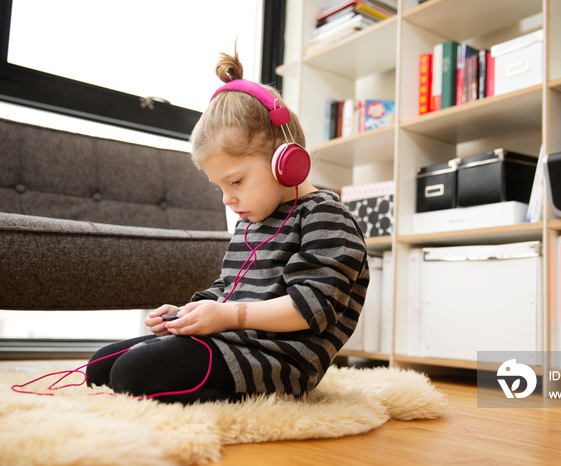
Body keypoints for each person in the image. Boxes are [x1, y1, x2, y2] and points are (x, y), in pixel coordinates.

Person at [85, 49, 370, 404]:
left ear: (286, 158)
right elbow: (228, 289)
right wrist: (184, 315)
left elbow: (310, 307)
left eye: (236, 182)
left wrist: (227, 316)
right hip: (231, 339)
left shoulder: (326, 216)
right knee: (100, 367)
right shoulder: (253, 220)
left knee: (131, 373)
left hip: (279, 359)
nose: (227, 200)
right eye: (220, 187)